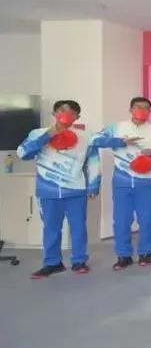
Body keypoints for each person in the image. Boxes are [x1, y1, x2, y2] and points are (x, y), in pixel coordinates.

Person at [16, 100, 101, 279]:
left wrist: (94, 185)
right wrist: (48, 135)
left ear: (77, 117)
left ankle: (79, 261)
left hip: (75, 190)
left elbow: (93, 162)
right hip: (48, 190)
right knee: (51, 228)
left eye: (71, 113)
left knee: (78, 227)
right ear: (54, 113)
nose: (66, 115)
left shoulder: (86, 136)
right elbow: (22, 153)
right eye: (62, 110)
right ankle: (52, 263)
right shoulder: (37, 133)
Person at [92, 96, 151, 270]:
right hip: (122, 180)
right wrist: (120, 141)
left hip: (147, 181)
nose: (142, 110)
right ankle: (123, 255)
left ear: (149, 111)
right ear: (131, 109)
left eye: (146, 108)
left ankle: (145, 253)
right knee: (121, 220)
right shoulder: (116, 127)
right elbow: (95, 140)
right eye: (138, 107)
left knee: (147, 219)